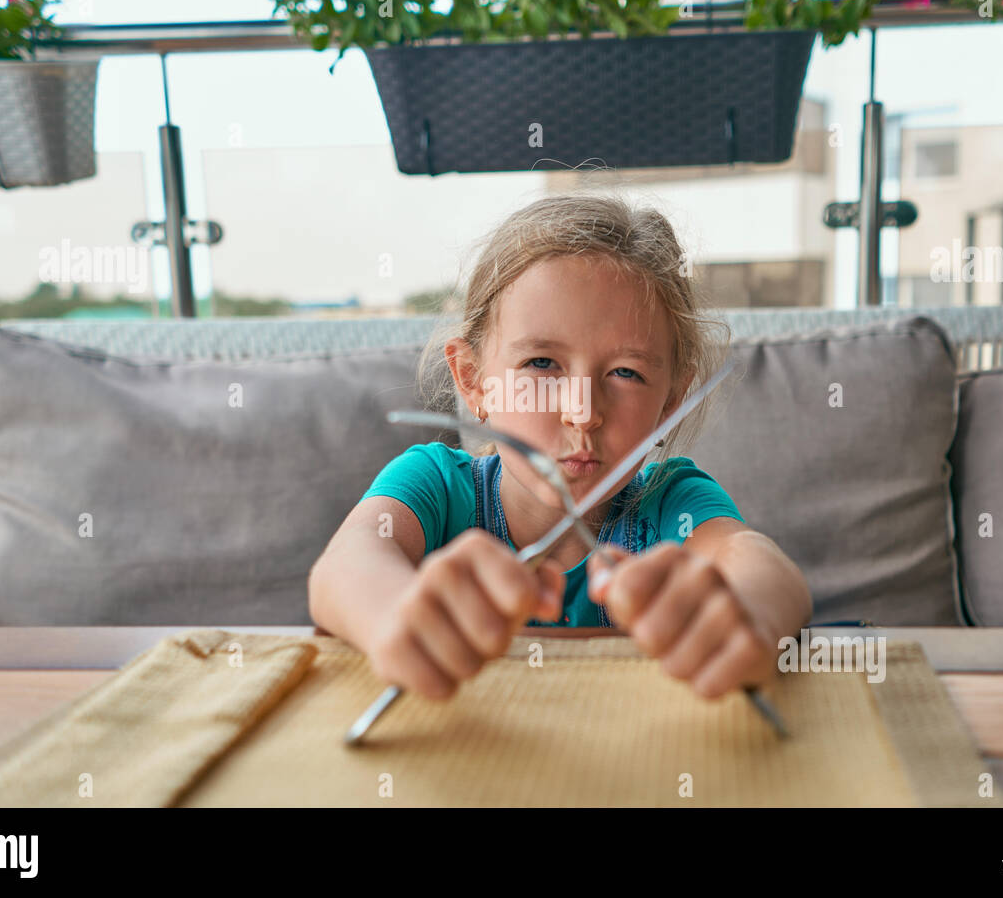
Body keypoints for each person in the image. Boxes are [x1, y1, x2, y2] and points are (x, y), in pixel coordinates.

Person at [308, 192, 811, 702]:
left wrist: (744, 614)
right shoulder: (434, 484)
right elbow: (345, 566)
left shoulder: (671, 501)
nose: (583, 412)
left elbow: (761, 568)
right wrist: (396, 615)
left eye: (626, 373)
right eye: (542, 365)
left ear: (669, 405)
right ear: (474, 380)